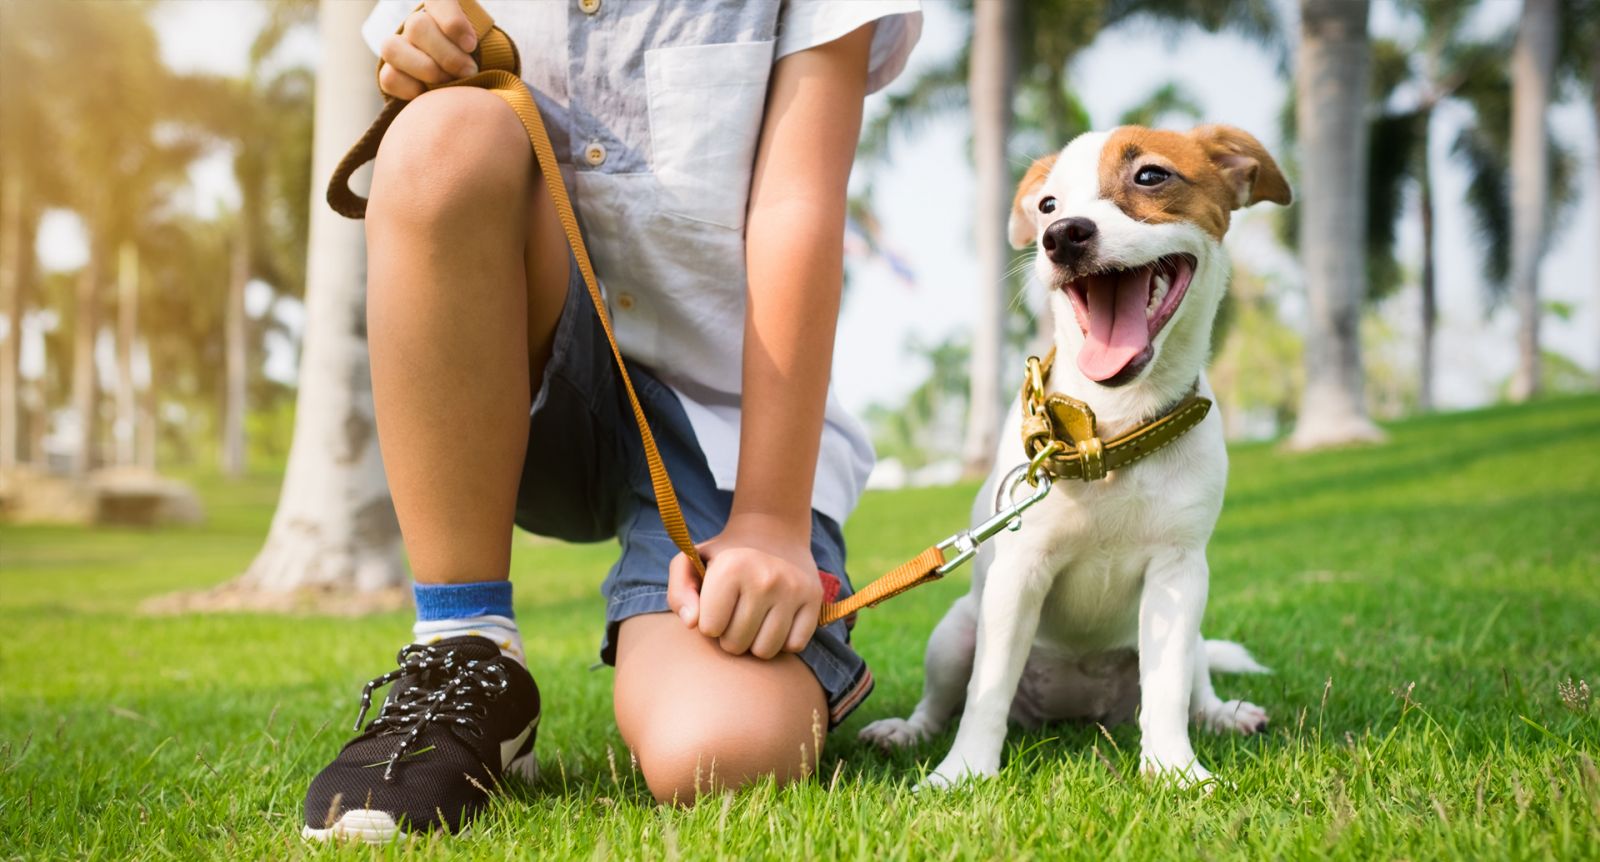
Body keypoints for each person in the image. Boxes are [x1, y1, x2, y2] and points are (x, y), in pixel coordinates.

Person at [301, 0, 922, 841]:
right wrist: (421, 57)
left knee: (720, 756)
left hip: (725, 425)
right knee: (442, 133)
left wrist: (771, 523)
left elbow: (795, 206)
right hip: (517, 383)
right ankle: (465, 649)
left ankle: (727, 622)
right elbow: (431, 106)